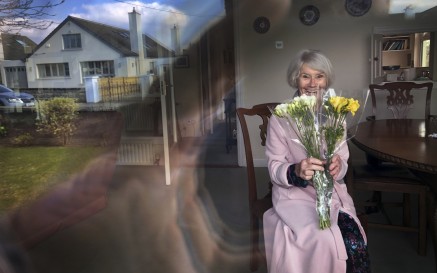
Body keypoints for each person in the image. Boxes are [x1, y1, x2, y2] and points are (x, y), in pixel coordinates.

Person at [263, 49, 370, 273]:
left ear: (326, 79)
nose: (313, 83)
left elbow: (343, 162)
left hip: (331, 195)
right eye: (305, 76)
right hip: (294, 195)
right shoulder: (280, 117)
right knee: (322, 240)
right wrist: (296, 171)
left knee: (353, 240)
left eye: (319, 76)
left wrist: (338, 167)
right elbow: (274, 167)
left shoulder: (336, 115)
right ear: (296, 79)